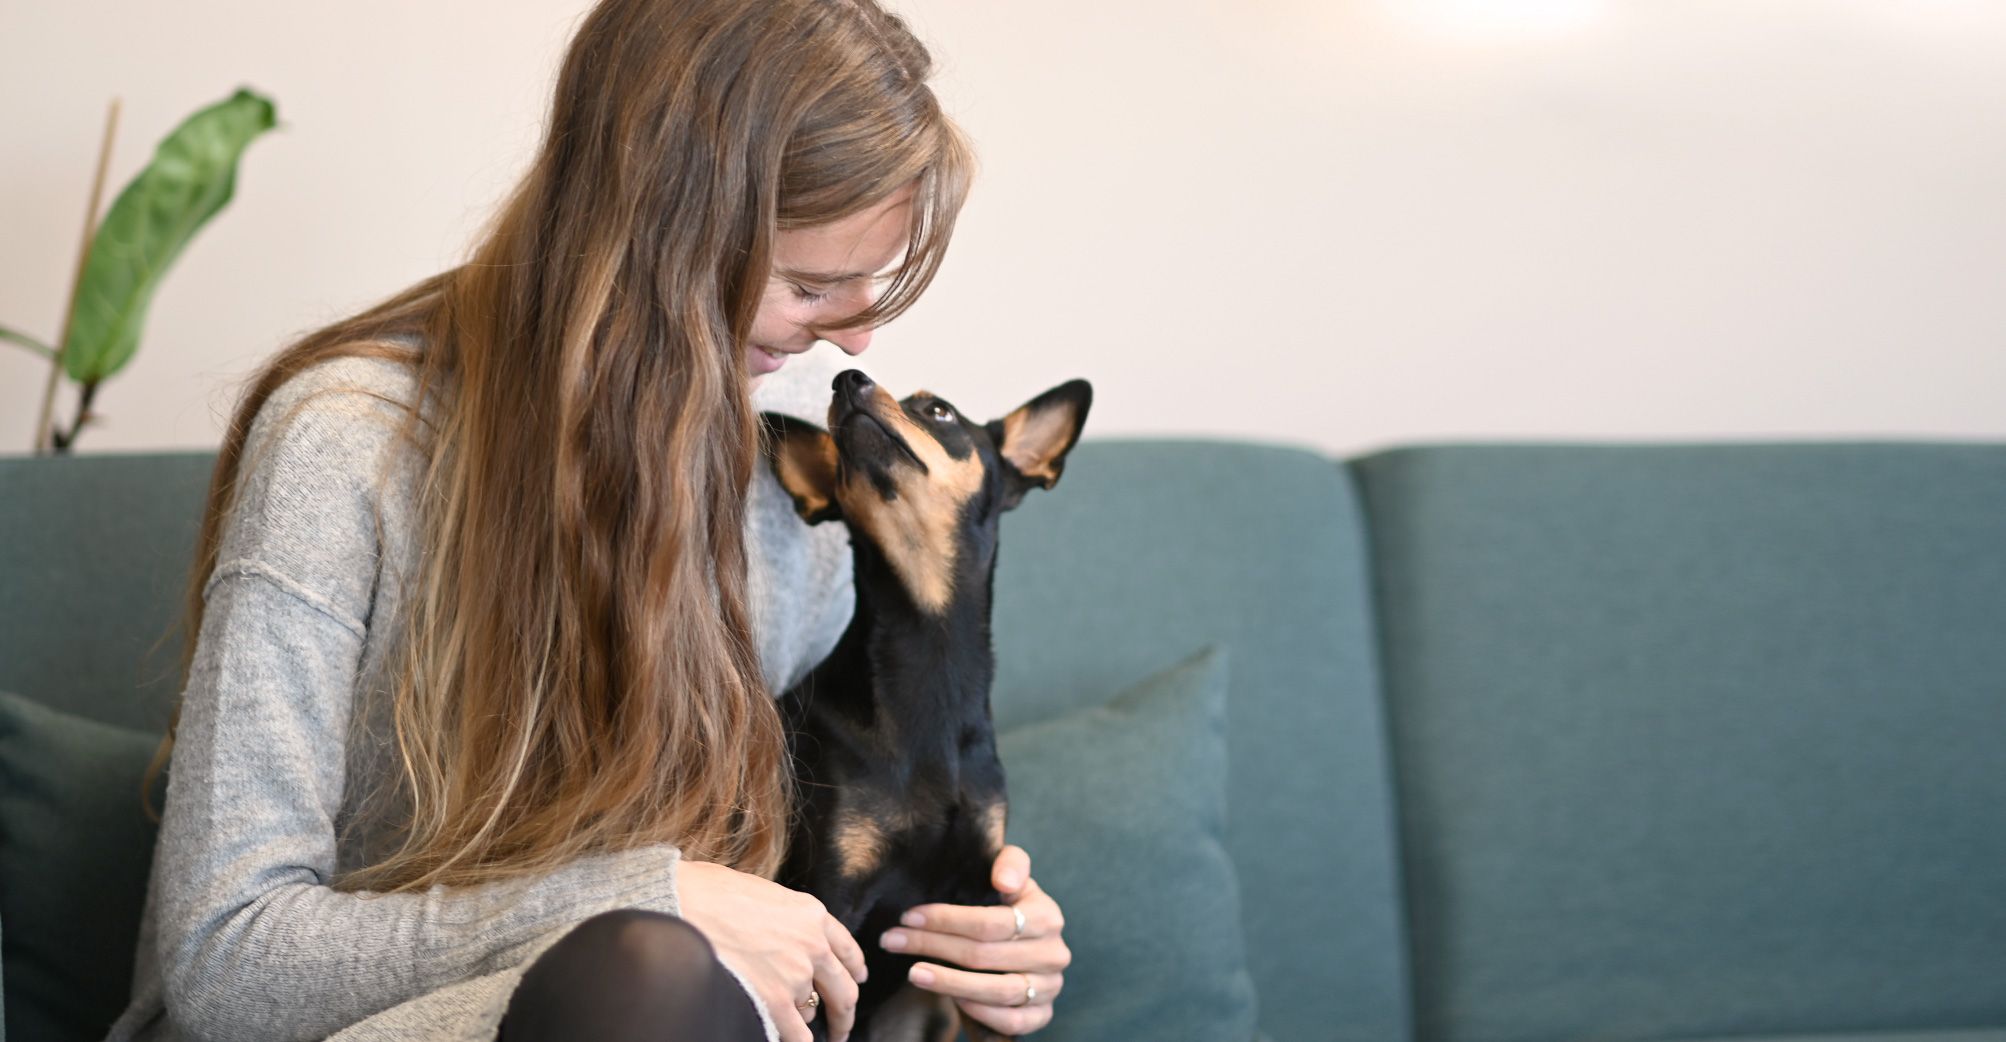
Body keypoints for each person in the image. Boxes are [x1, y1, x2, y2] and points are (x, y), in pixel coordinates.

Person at [100, 1, 1070, 1040]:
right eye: (806, 285)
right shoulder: (344, 450)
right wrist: (637, 898)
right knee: (642, 968)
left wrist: (973, 949)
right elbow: (222, 963)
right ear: (659, 225)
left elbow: (800, 910)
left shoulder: (778, 512)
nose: (858, 340)